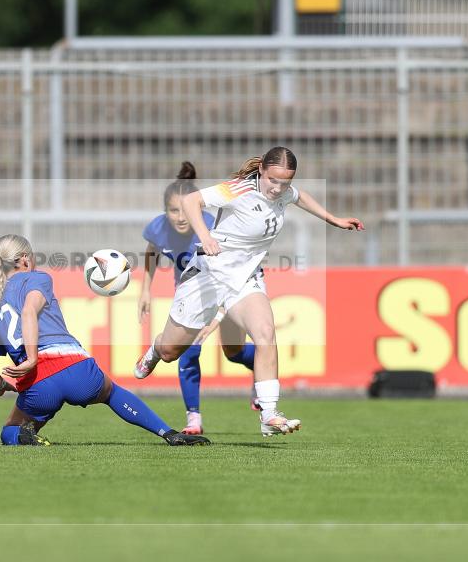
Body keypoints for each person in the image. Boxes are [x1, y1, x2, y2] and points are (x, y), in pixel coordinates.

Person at [134, 146, 364, 436]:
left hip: (245, 279)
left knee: (265, 332)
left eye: (286, 182)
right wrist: (204, 236)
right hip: (209, 274)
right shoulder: (238, 190)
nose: (279, 188)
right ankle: (154, 351)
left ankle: (269, 413)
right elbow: (193, 200)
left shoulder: (283, 191)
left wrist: (333, 219)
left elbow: (300, 196)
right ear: (262, 171)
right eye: (273, 181)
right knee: (171, 351)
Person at [0, 233, 210, 447]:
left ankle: (22, 436)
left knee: (10, 430)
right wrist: (31, 358)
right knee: (113, 393)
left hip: (39, 386)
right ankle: (167, 433)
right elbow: (29, 310)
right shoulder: (37, 278)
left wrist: (1, 384)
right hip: (76, 370)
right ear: (25, 259)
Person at [139, 161, 257, 435]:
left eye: (185, 210)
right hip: (192, 296)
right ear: (165, 211)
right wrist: (146, 288)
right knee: (188, 351)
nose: (180, 217)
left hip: (229, 291)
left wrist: (214, 319)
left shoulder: (212, 231)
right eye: (173, 210)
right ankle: (194, 418)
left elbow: (228, 279)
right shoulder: (159, 227)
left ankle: (261, 367)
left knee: (234, 353)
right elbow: (151, 250)